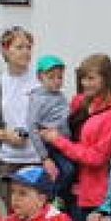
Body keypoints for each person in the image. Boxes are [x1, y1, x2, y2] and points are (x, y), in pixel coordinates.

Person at [40, 53, 111, 221]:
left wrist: (58, 141)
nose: (85, 83)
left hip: (94, 193)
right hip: (71, 184)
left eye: (91, 78)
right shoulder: (82, 102)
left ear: (106, 79)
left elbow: (97, 157)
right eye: (83, 78)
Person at [0, 26, 41, 179]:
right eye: (19, 47)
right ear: (5, 50)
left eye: (29, 47)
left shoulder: (41, 81)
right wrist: (6, 136)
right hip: (7, 160)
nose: (26, 52)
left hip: (38, 159)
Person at [25, 54, 75, 194]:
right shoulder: (38, 99)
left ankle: (60, 195)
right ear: (40, 77)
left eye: (60, 77)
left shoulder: (60, 95)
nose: (57, 81)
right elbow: (32, 127)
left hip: (63, 142)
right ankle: (52, 197)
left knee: (73, 169)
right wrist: (44, 156)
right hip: (50, 146)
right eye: (51, 77)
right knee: (67, 170)